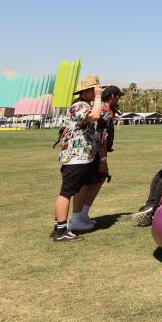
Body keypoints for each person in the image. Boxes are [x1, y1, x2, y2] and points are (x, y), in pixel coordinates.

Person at [51, 75, 112, 241]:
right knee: (66, 192)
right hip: (75, 157)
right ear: (87, 91)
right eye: (95, 89)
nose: (98, 92)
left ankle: (59, 227)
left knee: (68, 191)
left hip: (80, 157)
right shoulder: (79, 105)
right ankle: (61, 230)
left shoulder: (83, 104)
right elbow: (94, 116)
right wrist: (99, 98)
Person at [67, 85, 123, 232]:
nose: (119, 100)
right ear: (113, 97)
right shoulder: (103, 112)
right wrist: (103, 160)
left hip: (95, 151)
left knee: (97, 179)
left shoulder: (104, 110)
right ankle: (77, 217)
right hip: (94, 152)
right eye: (119, 97)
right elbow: (101, 136)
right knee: (87, 182)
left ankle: (82, 215)